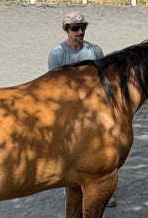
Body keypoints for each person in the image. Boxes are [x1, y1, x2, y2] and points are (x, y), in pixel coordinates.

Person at [47, 11, 114, 206]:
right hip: (69, 108)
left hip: (94, 107)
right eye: (75, 28)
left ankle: (103, 189)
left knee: (103, 147)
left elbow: (104, 79)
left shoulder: (95, 51)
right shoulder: (57, 54)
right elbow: (53, 87)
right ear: (66, 30)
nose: (80, 31)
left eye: (83, 27)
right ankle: (72, 187)